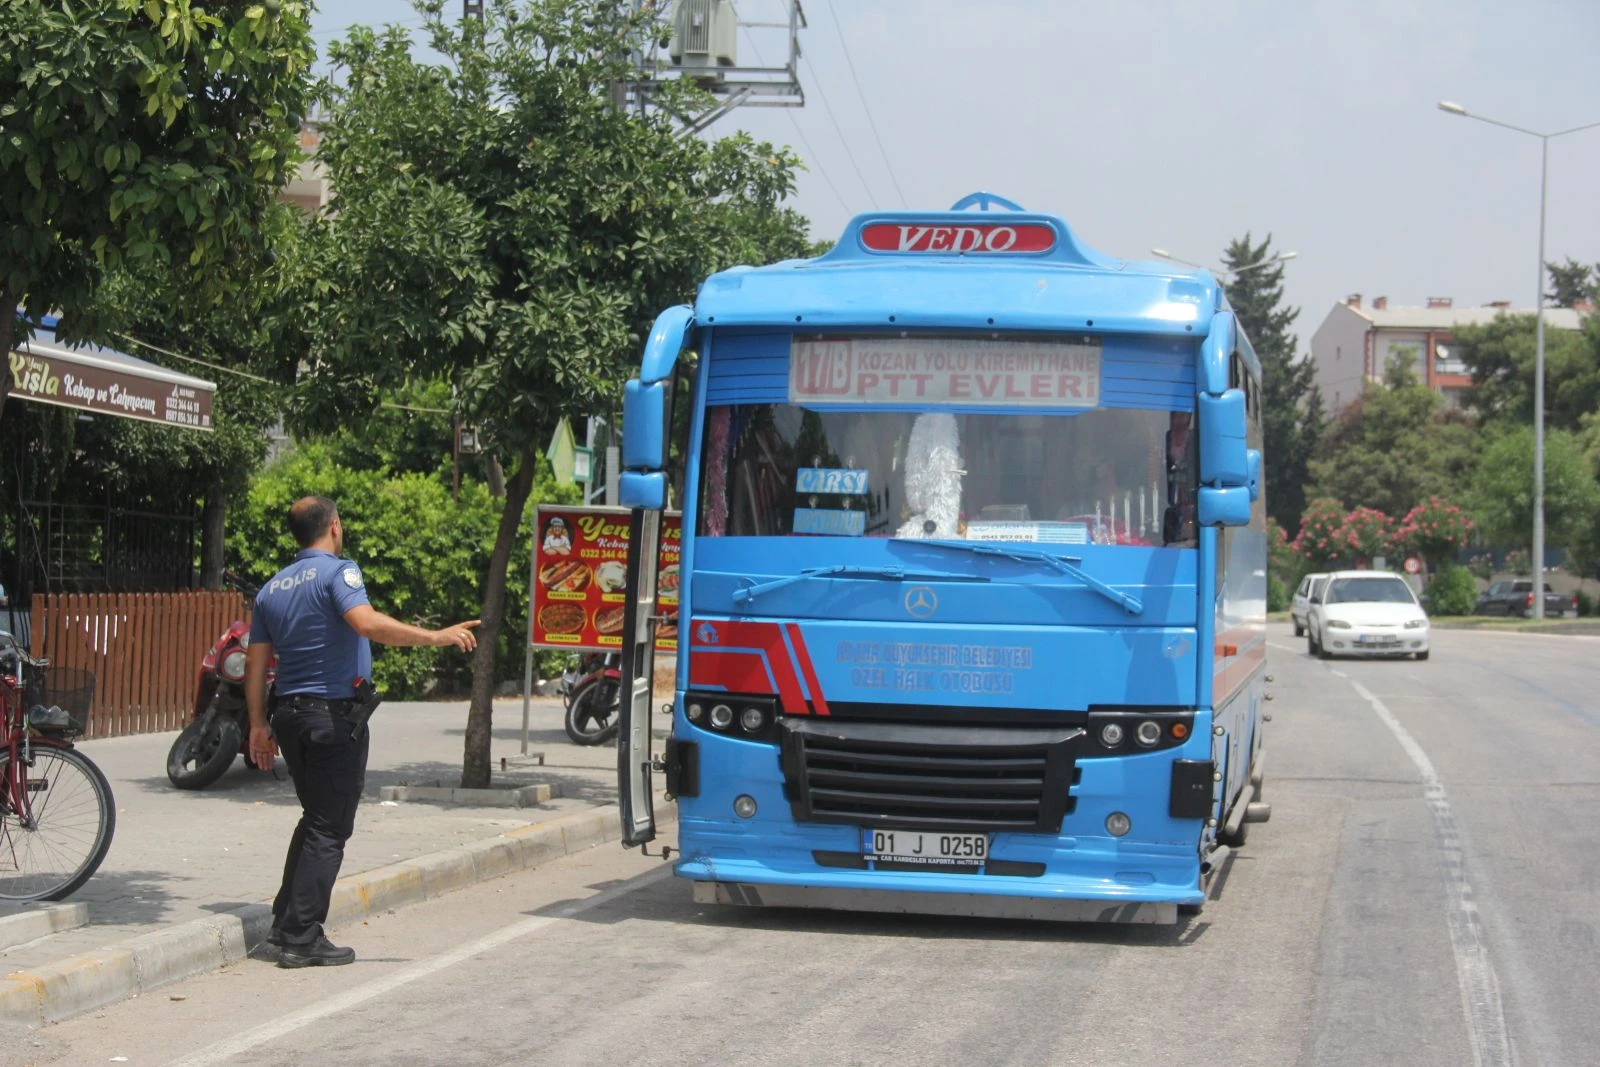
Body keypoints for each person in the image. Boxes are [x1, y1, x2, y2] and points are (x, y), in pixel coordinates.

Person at [244, 496, 479, 968]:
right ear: (334, 526)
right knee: (330, 826)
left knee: (315, 818)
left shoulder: (271, 589)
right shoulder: (338, 573)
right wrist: (437, 636)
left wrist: (255, 725)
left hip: (289, 716)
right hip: (332, 719)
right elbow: (365, 623)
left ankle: (284, 920)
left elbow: (255, 665)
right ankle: (300, 937)